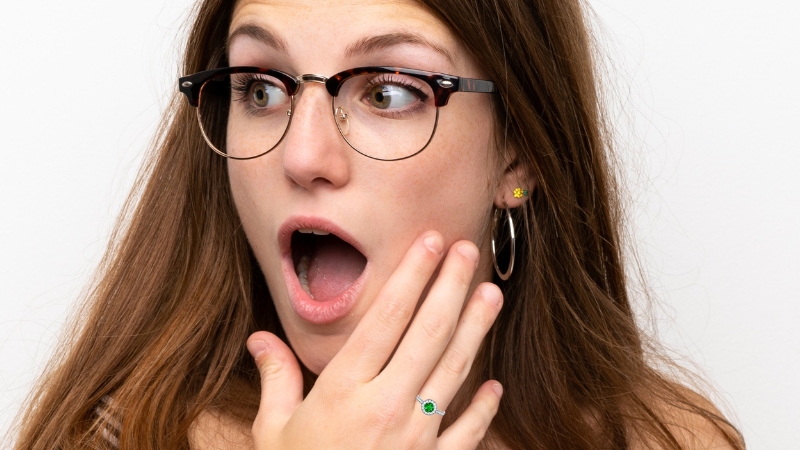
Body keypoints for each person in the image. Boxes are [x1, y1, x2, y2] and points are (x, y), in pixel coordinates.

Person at [13, 0, 745, 448]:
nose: (303, 156)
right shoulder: (122, 438)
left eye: (389, 92)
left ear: (518, 153)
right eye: (260, 88)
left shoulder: (672, 440)